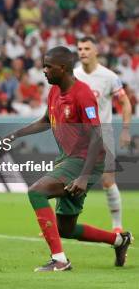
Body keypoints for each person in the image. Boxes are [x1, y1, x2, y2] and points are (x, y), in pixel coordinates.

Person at [9, 46, 133, 271]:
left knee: (37, 192)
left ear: (63, 68)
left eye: (48, 66)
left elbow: (96, 137)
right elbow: (46, 120)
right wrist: (17, 134)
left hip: (85, 160)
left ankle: (60, 260)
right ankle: (119, 240)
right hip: (69, 158)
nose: (44, 70)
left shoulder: (83, 94)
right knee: (66, 228)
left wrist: (84, 177)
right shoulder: (55, 90)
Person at [74, 37, 132, 233]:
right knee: (66, 179)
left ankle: (117, 226)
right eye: (80, 48)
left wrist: (125, 129)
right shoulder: (73, 75)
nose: (82, 52)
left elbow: (125, 103)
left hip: (102, 134)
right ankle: (61, 223)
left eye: (87, 48)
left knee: (108, 181)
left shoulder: (108, 77)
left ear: (96, 51)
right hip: (78, 136)